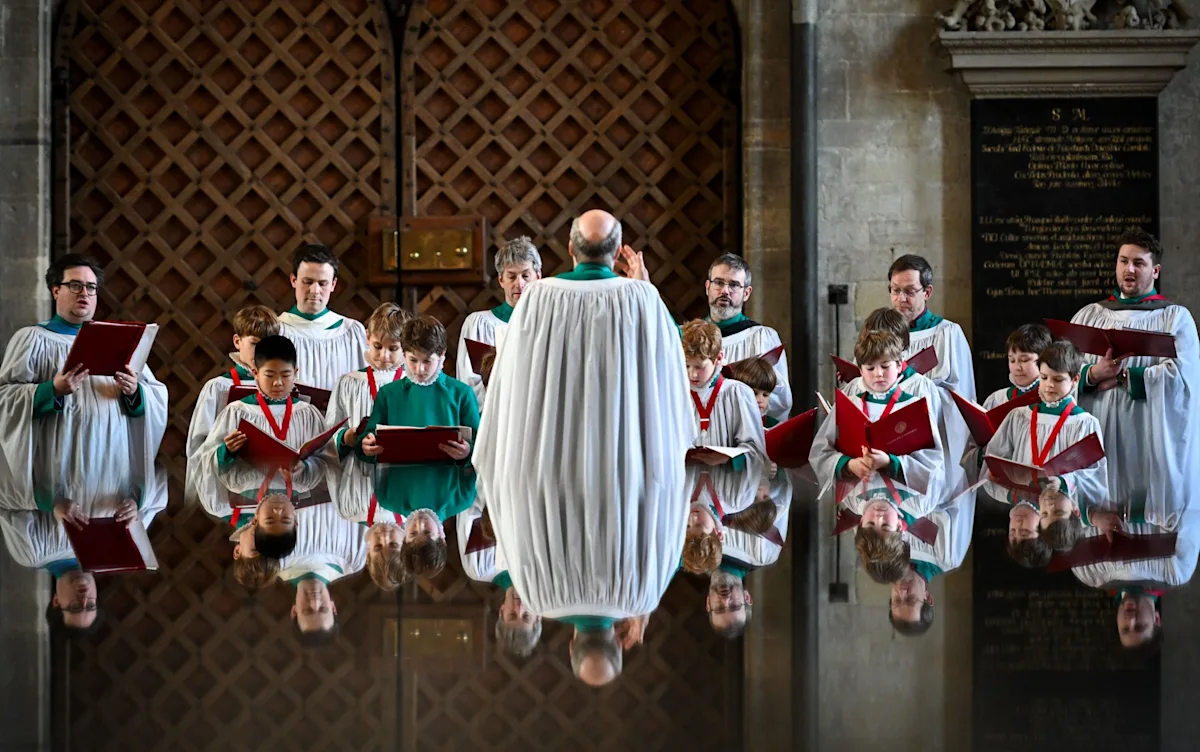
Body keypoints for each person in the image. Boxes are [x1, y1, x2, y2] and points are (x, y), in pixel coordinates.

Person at [475, 209, 691, 687]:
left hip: (547, 477)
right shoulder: (642, 299)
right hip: (628, 477)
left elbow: (510, 389)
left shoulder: (537, 298)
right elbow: (670, 379)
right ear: (617, 254)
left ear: (570, 249)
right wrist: (646, 289)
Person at [0, 254, 169, 507]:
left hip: (112, 468)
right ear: (56, 290)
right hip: (57, 462)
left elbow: (154, 398)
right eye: (75, 285)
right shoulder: (33, 339)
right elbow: (5, 399)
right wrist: (52, 390)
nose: (85, 293)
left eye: (91, 287)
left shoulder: (118, 341)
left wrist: (135, 392)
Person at [1069, 229, 1200, 533]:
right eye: (1123, 261)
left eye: (1138, 263)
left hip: (1149, 435)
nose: (1129, 270)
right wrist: (1092, 375)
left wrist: (1130, 376)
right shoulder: (1089, 316)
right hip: (1099, 430)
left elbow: (1186, 377)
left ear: (1155, 271)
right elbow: (1061, 370)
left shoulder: (1174, 318)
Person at [811, 331, 944, 583]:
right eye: (869, 368)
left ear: (899, 364)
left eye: (885, 366)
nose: (878, 374)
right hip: (857, 482)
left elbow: (934, 463)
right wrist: (847, 464)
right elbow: (819, 452)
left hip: (905, 489)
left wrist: (892, 463)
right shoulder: (849, 403)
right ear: (860, 369)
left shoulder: (914, 406)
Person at [195, 335, 334, 559]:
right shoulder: (237, 412)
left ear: (296, 372)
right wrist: (226, 451)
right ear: (254, 373)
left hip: (298, 487)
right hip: (247, 488)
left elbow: (327, 460)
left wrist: (306, 468)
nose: (278, 383)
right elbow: (205, 460)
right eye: (269, 375)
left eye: (286, 375)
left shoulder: (308, 414)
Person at [0, 462, 168, 633]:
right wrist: (137, 502)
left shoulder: (32, 553)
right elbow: (160, 480)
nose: (83, 599)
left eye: (75, 608)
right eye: (90, 605)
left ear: (57, 601)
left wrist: (50, 502)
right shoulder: (120, 549)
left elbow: (4, 494)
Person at [982, 340, 1108, 552]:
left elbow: (1095, 477)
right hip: (1023, 495)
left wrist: (1063, 481)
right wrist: (1006, 484)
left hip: (1062, 495)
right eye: (1044, 377)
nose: (1049, 385)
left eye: (1058, 379)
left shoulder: (1084, 423)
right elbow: (994, 461)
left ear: (1075, 379)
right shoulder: (1020, 416)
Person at [185, 305, 280, 503]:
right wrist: (224, 450)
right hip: (231, 497)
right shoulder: (218, 388)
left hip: (276, 495)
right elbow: (197, 450)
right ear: (237, 341)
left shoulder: (284, 388)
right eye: (255, 344)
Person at [359, 316, 480, 464]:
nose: (419, 369)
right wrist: (367, 445)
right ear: (404, 355)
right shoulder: (388, 394)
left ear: (442, 355)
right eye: (413, 360)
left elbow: (481, 445)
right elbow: (368, 439)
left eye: (427, 361)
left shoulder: (462, 394)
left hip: (448, 484)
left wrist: (468, 451)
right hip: (400, 483)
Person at [701, 253, 792, 422]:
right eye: (719, 282)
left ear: (746, 293)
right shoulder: (691, 337)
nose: (725, 291)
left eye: (734, 285)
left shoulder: (761, 338)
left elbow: (780, 398)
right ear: (707, 287)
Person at [456, 237, 542, 410]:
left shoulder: (549, 323)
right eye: (512, 276)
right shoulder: (480, 324)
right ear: (501, 280)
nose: (520, 283)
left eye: (526, 275)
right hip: (496, 415)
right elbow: (469, 383)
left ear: (538, 277)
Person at [961, 323, 1052, 482]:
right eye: (1012, 360)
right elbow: (971, 453)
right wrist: (983, 454)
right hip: (999, 485)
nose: (1017, 367)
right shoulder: (997, 400)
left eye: (1025, 360)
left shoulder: (1052, 402)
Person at [456, 492, 543, 657]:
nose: (519, 607)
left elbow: (468, 508)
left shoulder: (479, 567)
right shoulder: (547, 570)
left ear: (502, 611)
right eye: (526, 616)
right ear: (538, 616)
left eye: (512, 615)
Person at [277, 243, 368, 391]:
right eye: (307, 282)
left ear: (333, 285)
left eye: (322, 283)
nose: (315, 290)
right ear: (293, 280)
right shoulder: (276, 330)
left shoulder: (350, 332)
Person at [887, 254, 976, 401]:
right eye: (896, 290)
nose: (901, 299)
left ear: (927, 292)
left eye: (909, 291)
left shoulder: (948, 334)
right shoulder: (879, 333)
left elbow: (962, 398)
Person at [681, 319, 766, 471]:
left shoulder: (737, 394)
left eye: (699, 367)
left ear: (719, 358)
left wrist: (729, 458)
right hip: (688, 484)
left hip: (727, 485)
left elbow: (757, 451)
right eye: (687, 365)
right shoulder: (678, 395)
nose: (692, 374)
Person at [278, 501, 366, 647]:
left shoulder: (274, 562)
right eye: (323, 609)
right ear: (333, 608)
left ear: (294, 611)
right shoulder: (354, 559)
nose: (315, 601)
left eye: (307, 611)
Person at [888, 490, 976, 636]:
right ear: (927, 598)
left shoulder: (880, 553)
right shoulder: (949, 555)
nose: (902, 592)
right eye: (910, 599)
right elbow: (961, 493)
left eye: (897, 600)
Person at [728, 357, 778, 428]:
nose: (760, 400)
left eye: (765, 395)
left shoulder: (773, 425)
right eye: (755, 394)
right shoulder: (729, 423)